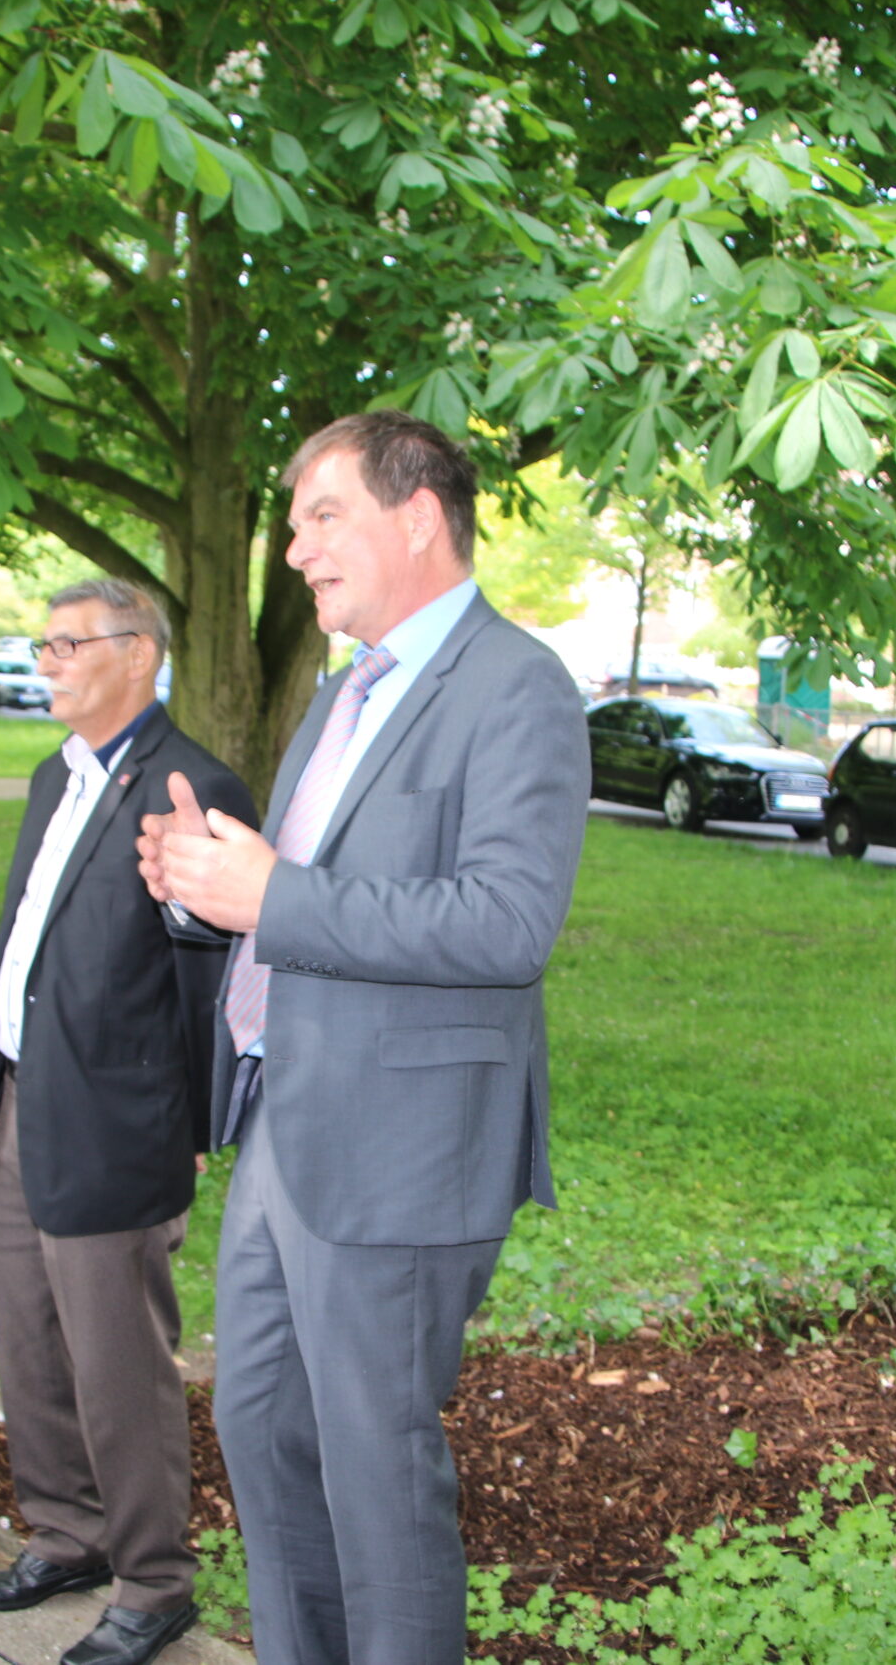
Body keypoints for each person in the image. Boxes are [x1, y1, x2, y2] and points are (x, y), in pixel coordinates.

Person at [140, 411, 590, 1665]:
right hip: (285, 1127)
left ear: (418, 517)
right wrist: (203, 889)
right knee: (264, 1433)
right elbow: (299, 896)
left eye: (321, 518)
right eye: (292, 528)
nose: (295, 552)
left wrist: (270, 895)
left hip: (400, 1152)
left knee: (374, 1475)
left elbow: (507, 924)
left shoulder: (516, 685)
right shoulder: (346, 693)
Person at [0, 580, 253, 1665]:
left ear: (139, 654)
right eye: (43, 644)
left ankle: (153, 1582)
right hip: (26, 1097)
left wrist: (193, 1126)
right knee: (30, 1335)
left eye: (68, 644)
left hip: (118, 1119)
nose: (47, 663)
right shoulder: (56, 776)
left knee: (119, 1359)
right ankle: (67, 1533)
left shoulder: (189, 785)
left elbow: (218, 978)